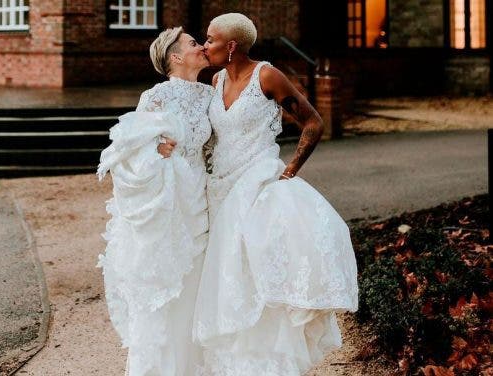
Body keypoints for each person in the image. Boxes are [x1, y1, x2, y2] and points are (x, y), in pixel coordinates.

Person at [193, 13, 359, 375]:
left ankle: (271, 364)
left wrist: (291, 168)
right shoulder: (216, 78)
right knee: (229, 277)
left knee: (259, 274)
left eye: (210, 39)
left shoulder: (267, 75)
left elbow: (314, 122)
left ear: (231, 45)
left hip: (257, 185)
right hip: (220, 188)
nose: (205, 46)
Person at [97, 26, 212, 375]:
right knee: (167, 289)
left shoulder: (212, 93)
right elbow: (129, 150)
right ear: (175, 57)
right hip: (169, 203)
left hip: (202, 198)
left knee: (196, 290)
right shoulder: (156, 97)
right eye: (194, 43)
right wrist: (155, 150)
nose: (202, 46)